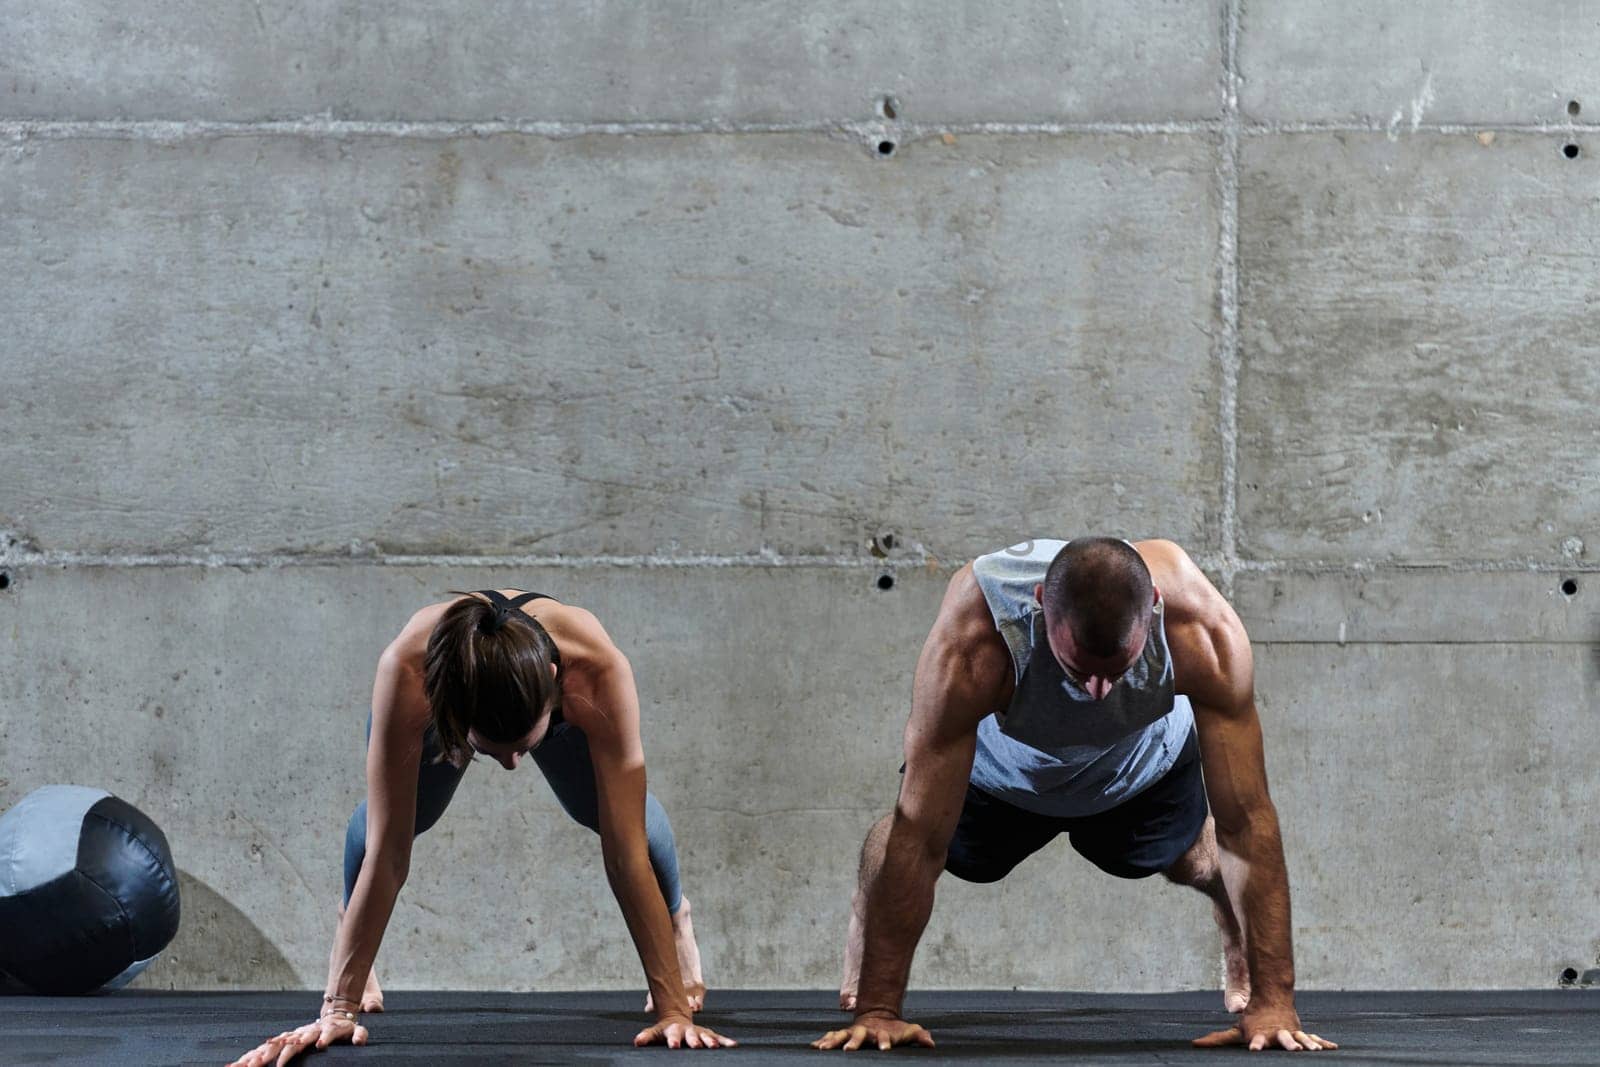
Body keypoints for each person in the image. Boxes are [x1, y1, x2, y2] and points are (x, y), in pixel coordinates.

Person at [817, 538, 1336, 1053]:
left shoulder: (1202, 632)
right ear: (1040, 605)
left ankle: (1232, 925)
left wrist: (1274, 1003)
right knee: (905, 838)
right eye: (1079, 669)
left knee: (1199, 860)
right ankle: (868, 915)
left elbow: (1246, 822)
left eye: (1118, 670)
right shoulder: (974, 639)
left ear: (1155, 605)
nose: (1097, 692)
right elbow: (922, 835)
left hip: (1137, 761)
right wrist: (879, 1008)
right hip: (1006, 770)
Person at [229, 589, 734, 1066]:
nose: (513, 766)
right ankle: (350, 926)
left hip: (551, 695)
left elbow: (625, 853)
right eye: (494, 750)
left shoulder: (595, 670)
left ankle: (675, 918)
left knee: (620, 818)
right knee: (402, 820)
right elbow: (389, 852)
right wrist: (337, 1008)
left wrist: (674, 1011)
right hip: (448, 695)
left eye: (521, 746)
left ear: (556, 680)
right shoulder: (407, 672)